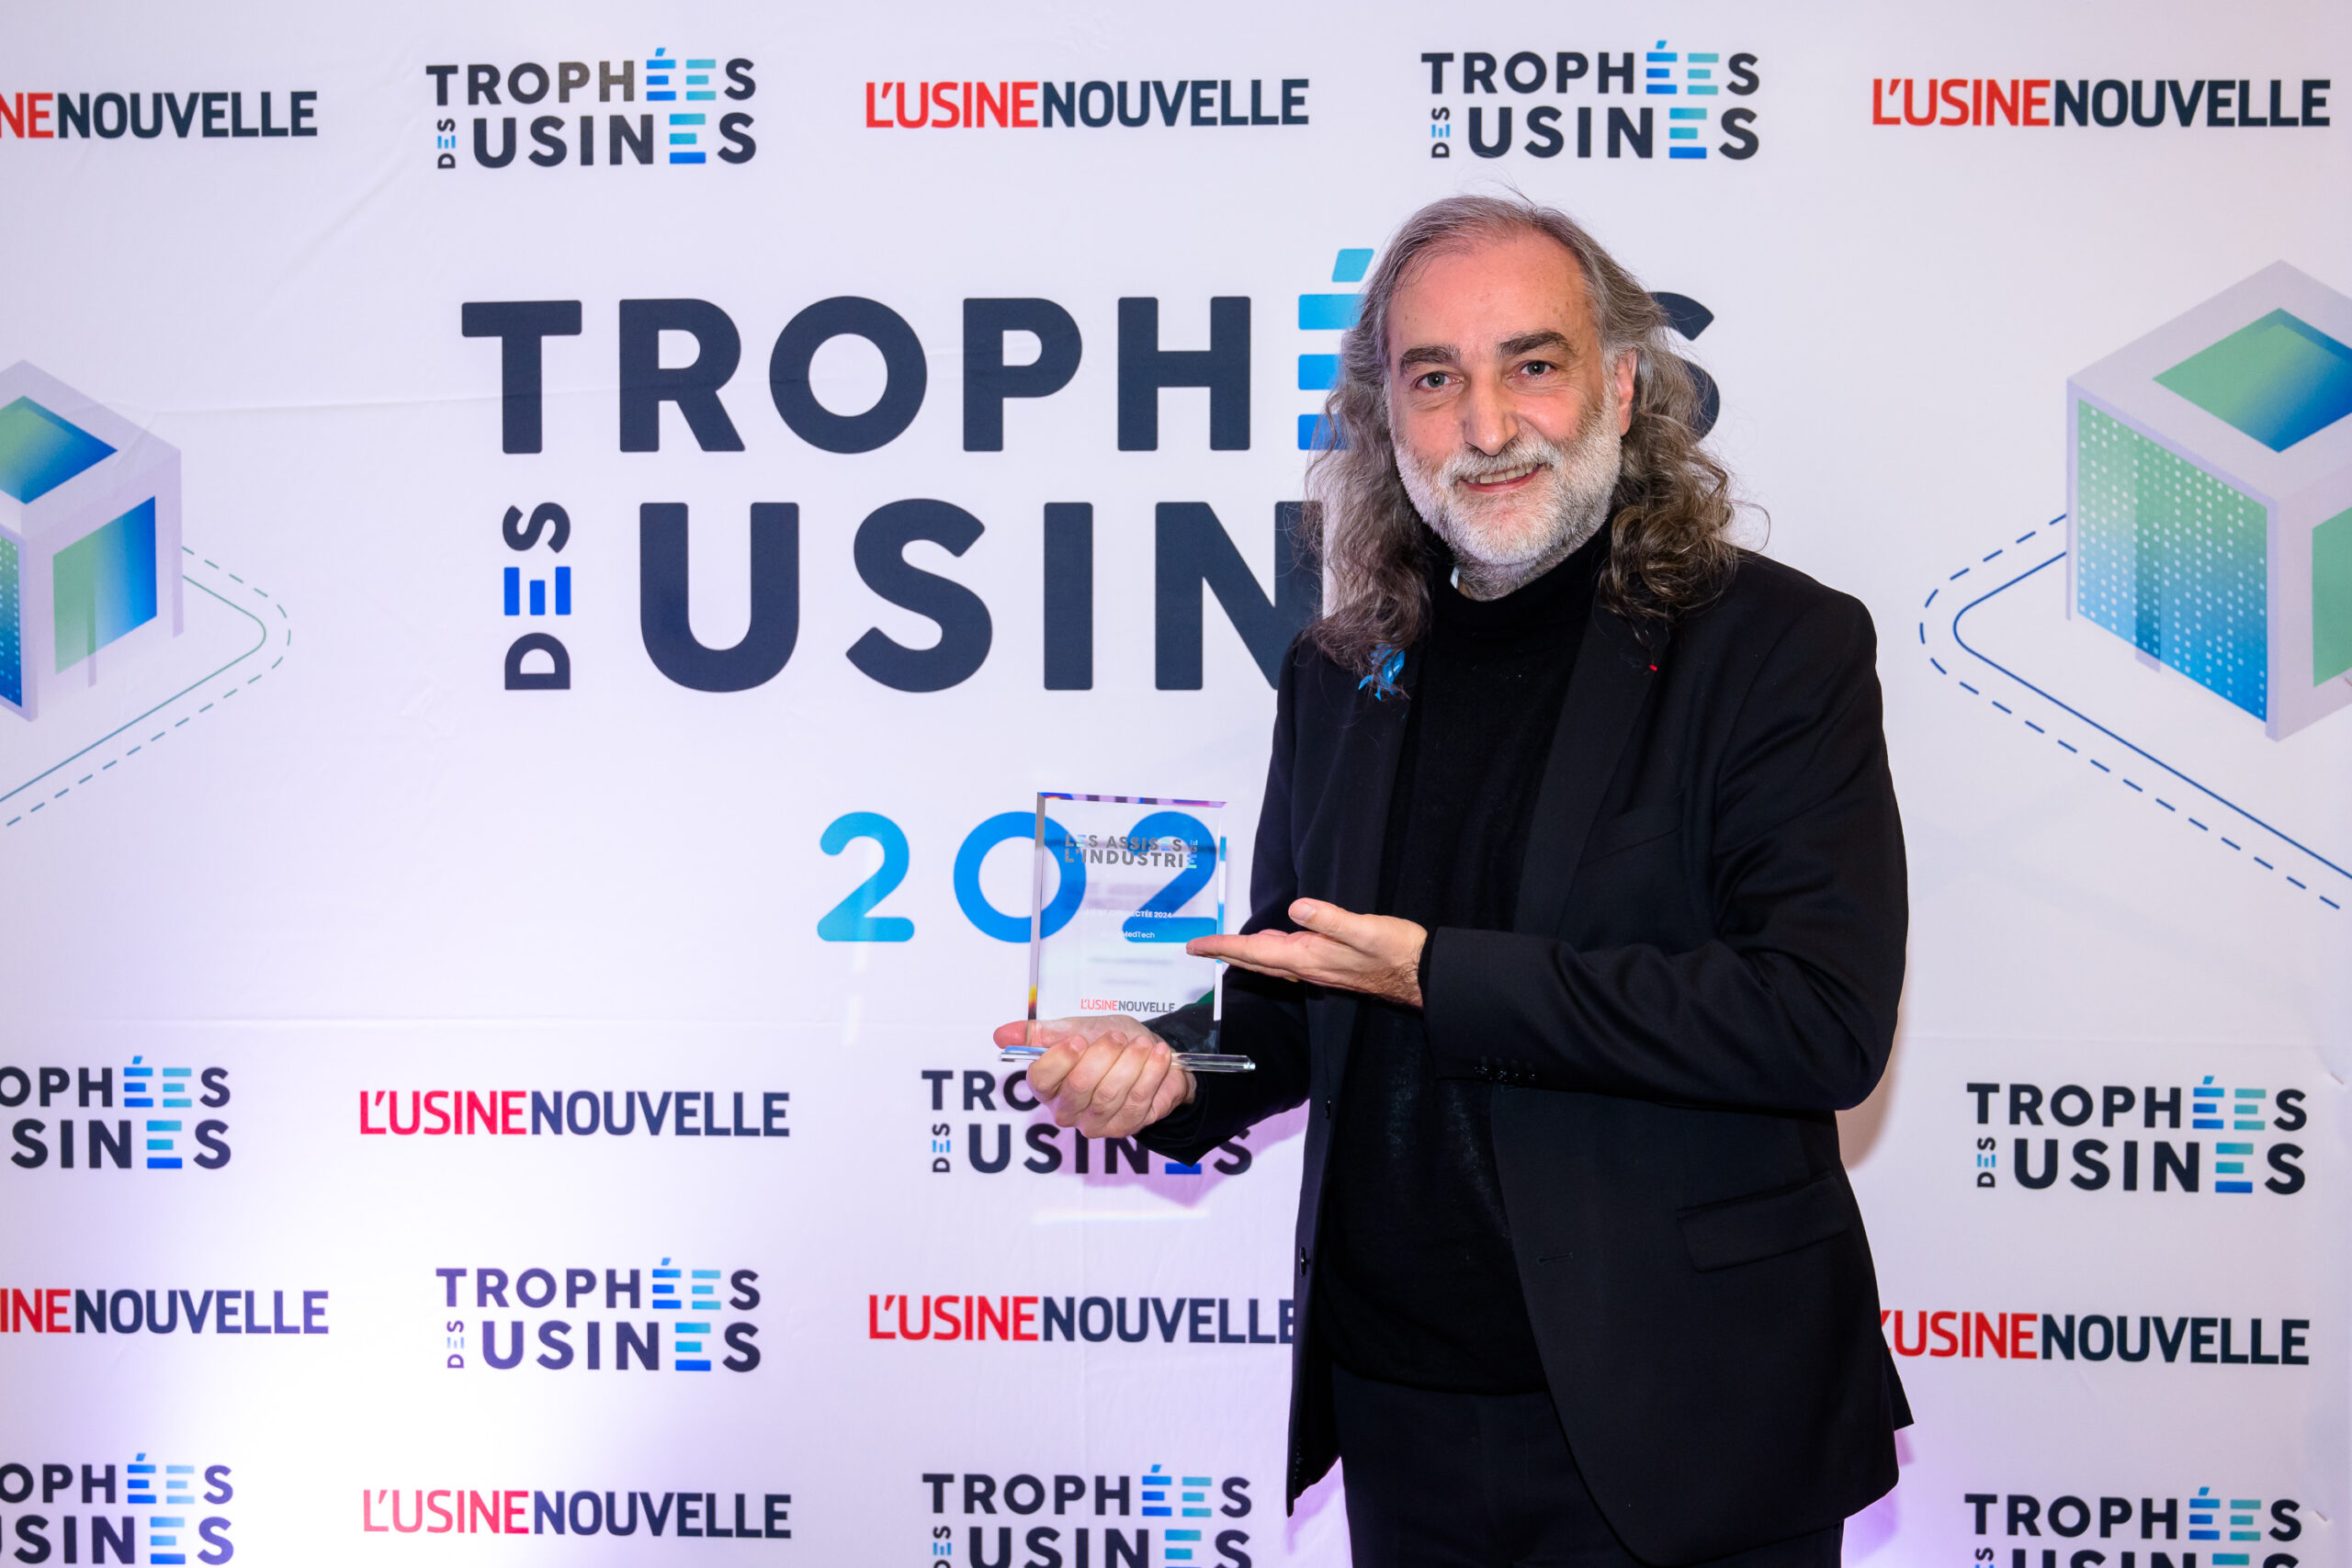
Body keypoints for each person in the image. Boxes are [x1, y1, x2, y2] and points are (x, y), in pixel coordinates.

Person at [992, 194, 1909, 1568]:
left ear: (1621, 386)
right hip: (1402, 1410)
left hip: (1686, 1412)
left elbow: (1817, 1021)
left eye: (1531, 364)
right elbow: (1295, 993)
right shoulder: (1339, 668)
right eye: (1434, 380)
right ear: (1386, 419)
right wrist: (1166, 1070)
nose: (1486, 426)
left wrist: (1440, 974)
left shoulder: (1776, 647)